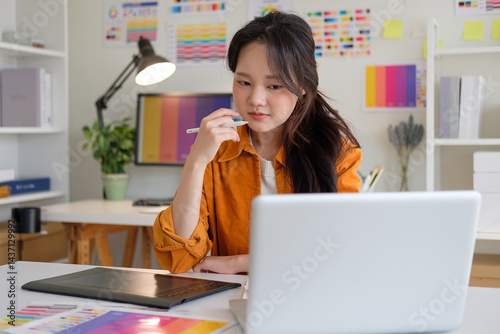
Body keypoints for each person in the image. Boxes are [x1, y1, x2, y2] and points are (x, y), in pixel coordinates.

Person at [153, 11, 362, 274]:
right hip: (231, 302)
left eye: (274, 86)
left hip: (311, 299)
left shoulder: (339, 153)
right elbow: (180, 258)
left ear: (303, 87)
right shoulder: (216, 151)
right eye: (244, 82)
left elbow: (341, 254)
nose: (255, 99)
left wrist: (240, 262)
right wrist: (196, 160)